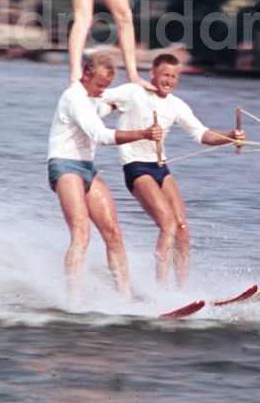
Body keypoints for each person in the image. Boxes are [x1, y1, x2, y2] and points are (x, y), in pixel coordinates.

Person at [101, 53, 245, 289]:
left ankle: (182, 289)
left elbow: (202, 134)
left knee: (182, 228)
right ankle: (162, 289)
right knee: (167, 224)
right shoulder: (134, 92)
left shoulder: (176, 105)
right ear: (153, 74)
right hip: (136, 168)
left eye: (174, 76)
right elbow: (98, 96)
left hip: (160, 167)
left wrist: (230, 137)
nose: (169, 80)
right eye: (165, 74)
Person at [46, 50, 162, 306]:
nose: (102, 90)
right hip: (64, 166)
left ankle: (125, 299)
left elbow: (108, 103)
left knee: (113, 232)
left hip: (87, 167)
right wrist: (142, 133)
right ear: (86, 74)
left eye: (106, 86)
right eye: (99, 85)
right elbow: (101, 136)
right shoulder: (74, 98)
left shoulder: (91, 97)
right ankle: (72, 301)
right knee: (82, 234)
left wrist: (140, 90)